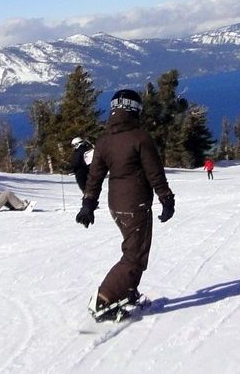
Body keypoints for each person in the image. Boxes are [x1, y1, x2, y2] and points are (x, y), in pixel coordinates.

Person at [76, 89, 175, 323]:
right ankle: (104, 298)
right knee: (134, 255)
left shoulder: (104, 141)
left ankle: (127, 292)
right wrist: (166, 198)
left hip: (116, 205)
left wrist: (88, 204)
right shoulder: (139, 137)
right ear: (134, 110)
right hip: (135, 203)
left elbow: (94, 177)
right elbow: (155, 173)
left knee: (134, 249)